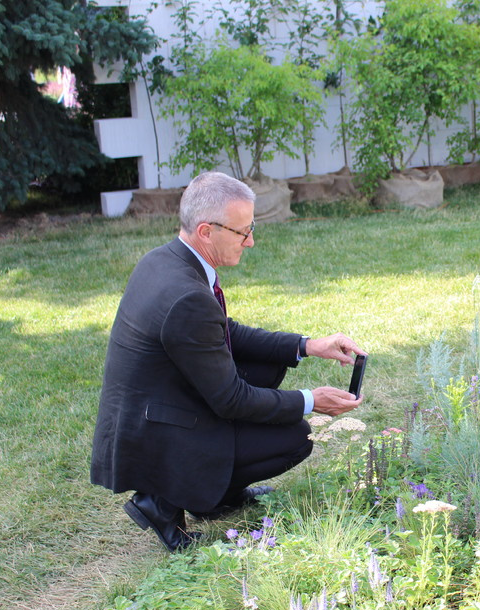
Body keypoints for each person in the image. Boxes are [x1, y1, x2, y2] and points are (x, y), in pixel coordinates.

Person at [91, 172, 364, 551]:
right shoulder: (187, 296)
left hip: (154, 408)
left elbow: (223, 332)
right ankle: (162, 501)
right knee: (297, 436)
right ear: (206, 231)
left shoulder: (164, 260)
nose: (250, 241)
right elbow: (231, 400)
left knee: (268, 365)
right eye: (242, 232)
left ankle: (218, 496)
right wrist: (312, 400)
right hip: (158, 433)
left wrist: (307, 345)